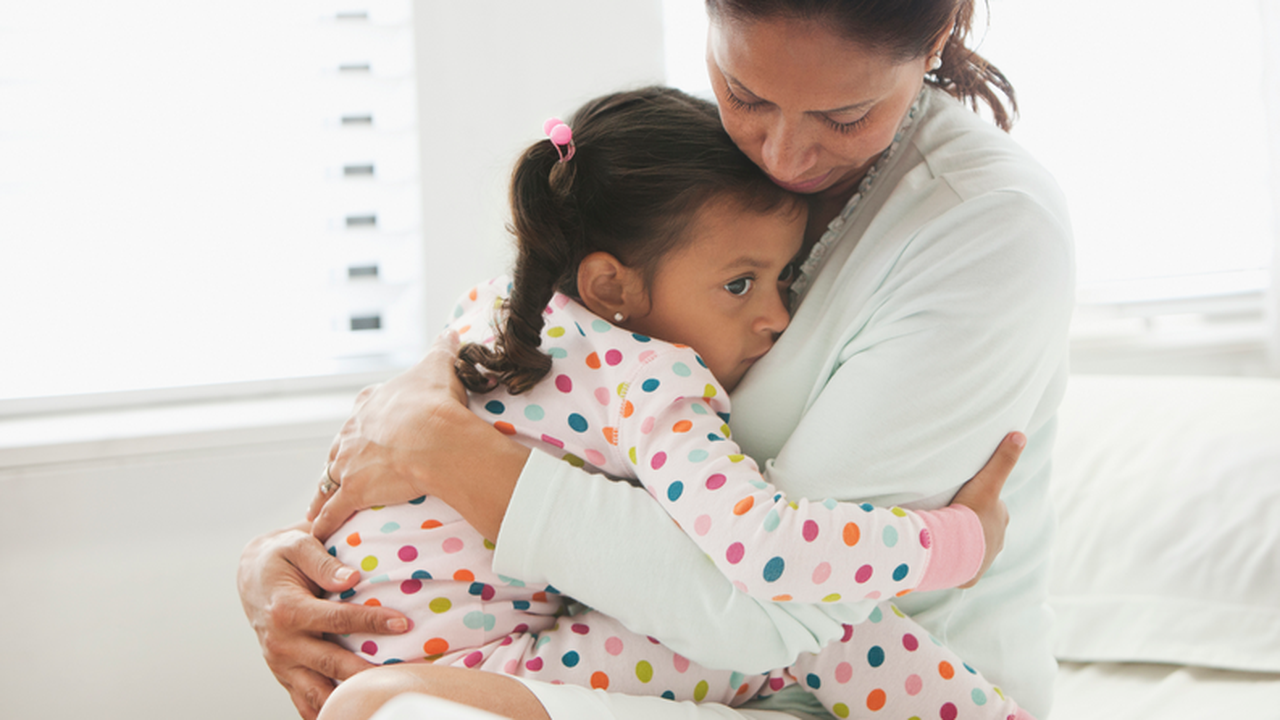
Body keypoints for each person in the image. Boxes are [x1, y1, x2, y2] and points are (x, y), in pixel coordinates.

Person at [238, 1, 1073, 719]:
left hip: (852, 686)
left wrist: (453, 459)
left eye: (844, 117)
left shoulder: (986, 228)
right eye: (743, 94)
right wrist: (296, 558)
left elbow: (782, 608)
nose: (781, 155)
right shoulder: (669, 212)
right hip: (648, 638)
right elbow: (457, 406)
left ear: (932, 47)